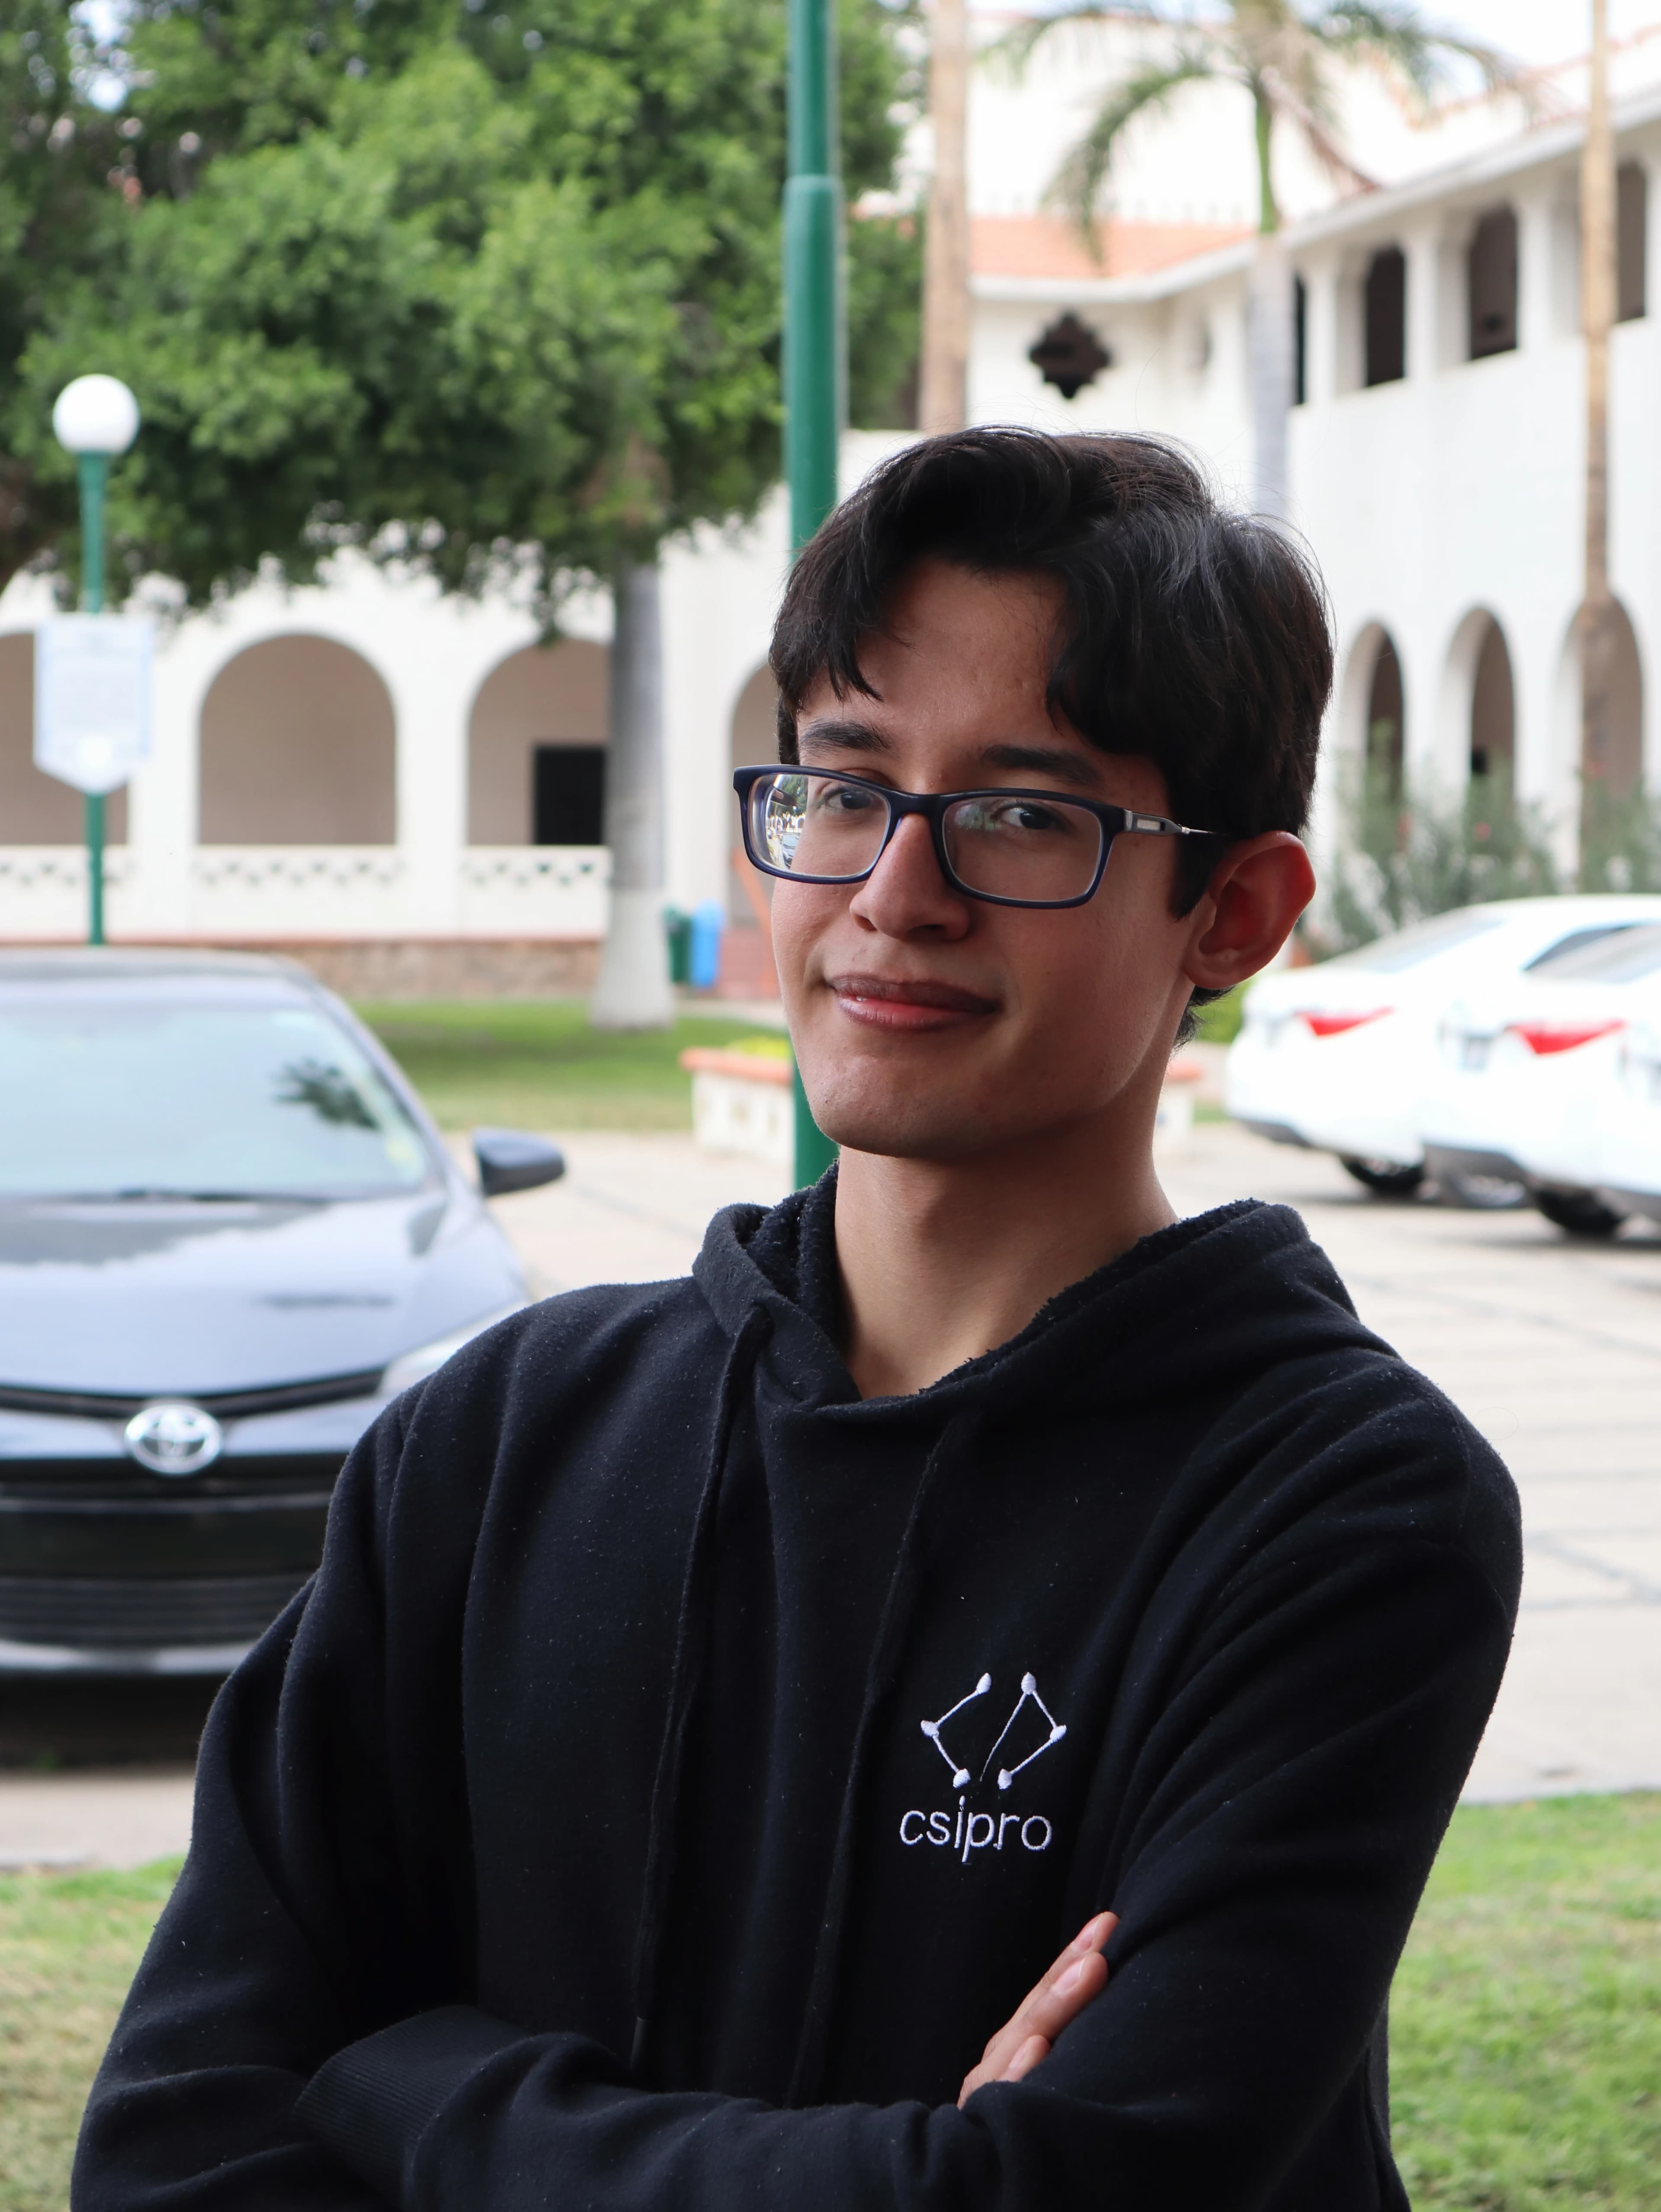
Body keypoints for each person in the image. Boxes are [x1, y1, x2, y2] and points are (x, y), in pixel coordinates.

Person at [74, 430, 1519, 2212]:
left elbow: (1079, 2188)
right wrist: (915, 2163)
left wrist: (419, 2092)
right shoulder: (508, 1434)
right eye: (843, 789)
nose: (892, 895)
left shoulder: (1344, 1508)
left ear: (1232, 910)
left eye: (1022, 814)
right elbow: (177, 2138)